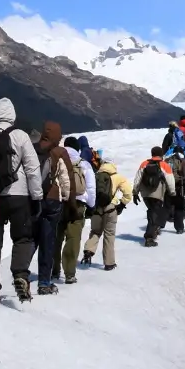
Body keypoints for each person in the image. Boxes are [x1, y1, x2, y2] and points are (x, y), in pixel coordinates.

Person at [0, 98, 43, 304]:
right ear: (12, 115)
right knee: (23, 238)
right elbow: (33, 169)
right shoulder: (20, 135)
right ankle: (20, 275)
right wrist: (37, 197)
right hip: (18, 196)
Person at [34, 121, 70, 295]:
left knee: (31, 238)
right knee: (48, 241)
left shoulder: (33, 148)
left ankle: (21, 273)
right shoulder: (60, 152)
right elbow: (66, 180)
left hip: (33, 199)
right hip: (53, 200)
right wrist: (68, 200)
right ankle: (44, 282)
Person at [82, 149, 133, 270]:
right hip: (110, 209)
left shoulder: (95, 175)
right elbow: (128, 194)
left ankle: (89, 250)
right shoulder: (118, 177)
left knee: (95, 231)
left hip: (96, 209)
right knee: (109, 235)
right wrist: (121, 205)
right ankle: (109, 263)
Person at [56, 136, 95, 284]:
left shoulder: (56, 158)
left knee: (56, 236)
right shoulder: (83, 163)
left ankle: (54, 270)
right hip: (78, 203)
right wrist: (91, 205)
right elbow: (91, 187)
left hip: (59, 202)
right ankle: (69, 273)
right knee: (73, 238)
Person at [132, 146, 175, 247]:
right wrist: (172, 192)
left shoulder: (144, 164)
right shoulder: (164, 165)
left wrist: (135, 192)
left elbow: (137, 179)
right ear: (161, 154)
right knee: (154, 214)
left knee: (152, 212)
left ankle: (153, 232)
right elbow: (170, 180)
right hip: (158, 193)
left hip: (145, 194)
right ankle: (149, 237)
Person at [165, 146, 185, 234]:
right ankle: (179, 228)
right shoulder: (182, 160)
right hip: (179, 185)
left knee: (166, 206)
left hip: (167, 185)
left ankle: (158, 225)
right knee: (179, 207)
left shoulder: (167, 160)